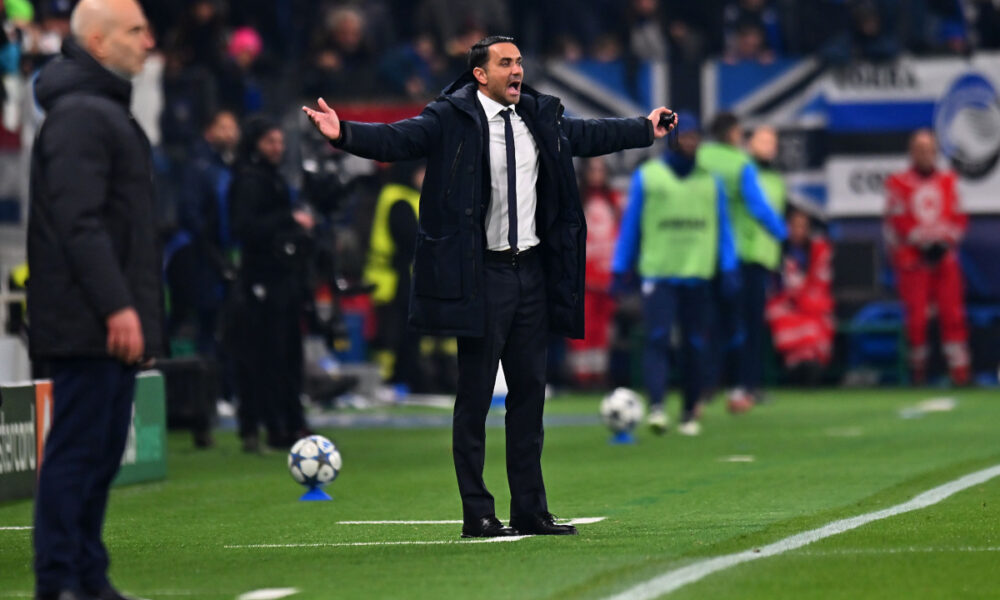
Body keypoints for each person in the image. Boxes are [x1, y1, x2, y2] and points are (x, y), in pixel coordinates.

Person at [304, 35, 675, 538]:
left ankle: (530, 509)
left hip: (531, 274)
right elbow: (398, 139)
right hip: (480, 275)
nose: (517, 69)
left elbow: (587, 135)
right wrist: (343, 132)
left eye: (520, 61)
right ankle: (478, 511)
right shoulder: (449, 117)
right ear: (480, 74)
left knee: (529, 398)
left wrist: (643, 128)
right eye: (506, 63)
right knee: (475, 399)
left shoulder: (539, 118)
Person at [26, 1, 159, 599]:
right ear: (99, 43)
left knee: (98, 456)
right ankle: (59, 580)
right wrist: (117, 306)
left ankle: (84, 573)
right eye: (135, 30)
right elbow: (79, 223)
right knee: (79, 454)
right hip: (88, 319)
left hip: (100, 316)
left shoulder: (97, 109)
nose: (148, 41)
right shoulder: (82, 115)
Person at [612, 112, 738, 436]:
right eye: (685, 136)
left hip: (696, 273)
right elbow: (631, 225)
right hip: (659, 272)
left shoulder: (711, 181)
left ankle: (688, 411)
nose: (691, 142)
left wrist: (729, 266)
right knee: (657, 339)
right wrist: (620, 266)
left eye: (696, 137)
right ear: (672, 138)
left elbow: (724, 228)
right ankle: (656, 406)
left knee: (695, 344)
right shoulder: (649, 176)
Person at [228, 116, 316, 452]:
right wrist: (289, 220)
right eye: (270, 142)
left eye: (279, 141)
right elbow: (245, 228)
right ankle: (270, 424)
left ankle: (289, 421)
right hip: (262, 281)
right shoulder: (251, 181)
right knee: (266, 355)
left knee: (287, 354)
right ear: (255, 144)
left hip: (283, 279)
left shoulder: (274, 179)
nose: (277, 148)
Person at [697, 112, 787, 412]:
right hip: (743, 255)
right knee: (744, 325)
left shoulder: (698, 158)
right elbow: (759, 208)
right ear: (734, 134)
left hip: (701, 254)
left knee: (707, 323)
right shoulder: (740, 164)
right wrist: (784, 235)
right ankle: (744, 387)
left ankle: (704, 385)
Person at [884, 129, 970, 385]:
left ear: (936, 152)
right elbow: (897, 221)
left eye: (929, 149)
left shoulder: (948, 181)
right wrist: (921, 243)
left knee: (952, 315)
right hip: (914, 262)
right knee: (918, 319)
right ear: (912, 152)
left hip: (944, 260)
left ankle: (961, 374)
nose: (925, 154)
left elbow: (959, 217)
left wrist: (945, 243)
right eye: (920, 149)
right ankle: (917, 373)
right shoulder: (898, 183)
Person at [365, 161, 424, 392]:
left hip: (399, 276)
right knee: (394, 335)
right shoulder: (399, 198)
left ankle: (401, 379)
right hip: (393, 278)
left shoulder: (402, 195)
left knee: (400, 333)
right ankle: (393, 381)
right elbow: (410, 239)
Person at [566, 157, 620, 387]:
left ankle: (599, 374)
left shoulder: (614, 201)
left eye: (601, 169)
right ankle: (580, 375)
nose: (597, 174)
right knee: (582, 327)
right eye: (593, 169)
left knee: (602, 329)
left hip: (607, 276)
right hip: (583, 277)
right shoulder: (577, 200)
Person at [765, 209, 834, 383]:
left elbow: (820, 282)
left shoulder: (816, 250)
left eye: (803, 226)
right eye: (794, 226)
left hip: (809, 303)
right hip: (785, 304)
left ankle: (811, 364)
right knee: (783, 316)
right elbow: (774, 287)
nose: (798, 231)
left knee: (817, 320)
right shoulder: (776, 251)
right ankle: (795, 365)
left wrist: (804, 297)